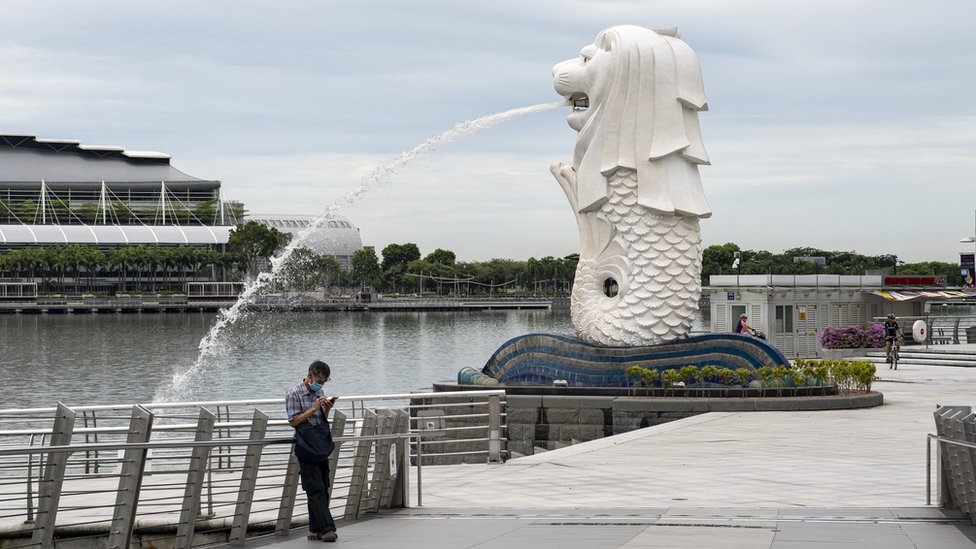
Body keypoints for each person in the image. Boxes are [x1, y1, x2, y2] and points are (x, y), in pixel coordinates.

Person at [285, 360, 339, 542]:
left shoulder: (319, 392)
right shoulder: (293, 393)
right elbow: (293, 421)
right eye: (318, 379)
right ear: (309, 374)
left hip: (320, 446)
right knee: (314, 487)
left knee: (323, 487)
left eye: (324, 381)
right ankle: (327, 529)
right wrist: (313, 408)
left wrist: (326, 409)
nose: (320, 384)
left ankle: (315, 529)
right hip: (306, 447)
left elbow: (320, 420)